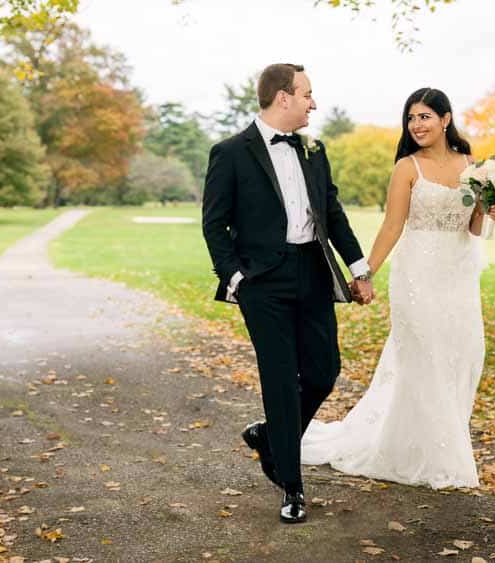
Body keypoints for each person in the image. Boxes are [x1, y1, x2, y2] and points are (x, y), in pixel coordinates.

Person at [301, 87, 495, 489]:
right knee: (424, 358)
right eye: (411, 118)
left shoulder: (474, 167)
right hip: (416, 277)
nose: (417, 125)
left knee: (460, 357)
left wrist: (491, 209)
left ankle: (431, 446)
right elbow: (392, 226)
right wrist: (366, 273)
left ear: (446, 119)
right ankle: (442, 460)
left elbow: (477, 229)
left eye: (425, 116)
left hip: (458, 278)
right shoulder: (407, 168)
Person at [201, 63, 373, 523]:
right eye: (307, 94)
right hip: (262, 284)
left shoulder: (314, 151)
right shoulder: (231, 152)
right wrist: (236, 280)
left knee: (324, 371)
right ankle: (292, 487)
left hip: (313, 272)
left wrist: (359, 268)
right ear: (283, 97)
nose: (313, 103)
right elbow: (214, 224)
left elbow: (332, 213)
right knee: (279, 378)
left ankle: (270, 436)